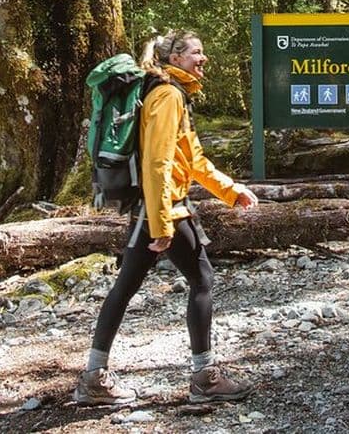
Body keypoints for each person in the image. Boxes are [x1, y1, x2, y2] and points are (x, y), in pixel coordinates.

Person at [74, 30, 259, 405]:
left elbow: (191, 160)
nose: (202, 58)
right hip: (162, 209)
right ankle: (204, 378)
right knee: (198, 280)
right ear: (175, 58)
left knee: (132, 286)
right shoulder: (166, 95)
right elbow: (156, 164)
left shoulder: (172, 94)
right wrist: (160, 225)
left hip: (163, 207)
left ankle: (94, 377)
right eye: (196, 52)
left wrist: (230, 190)